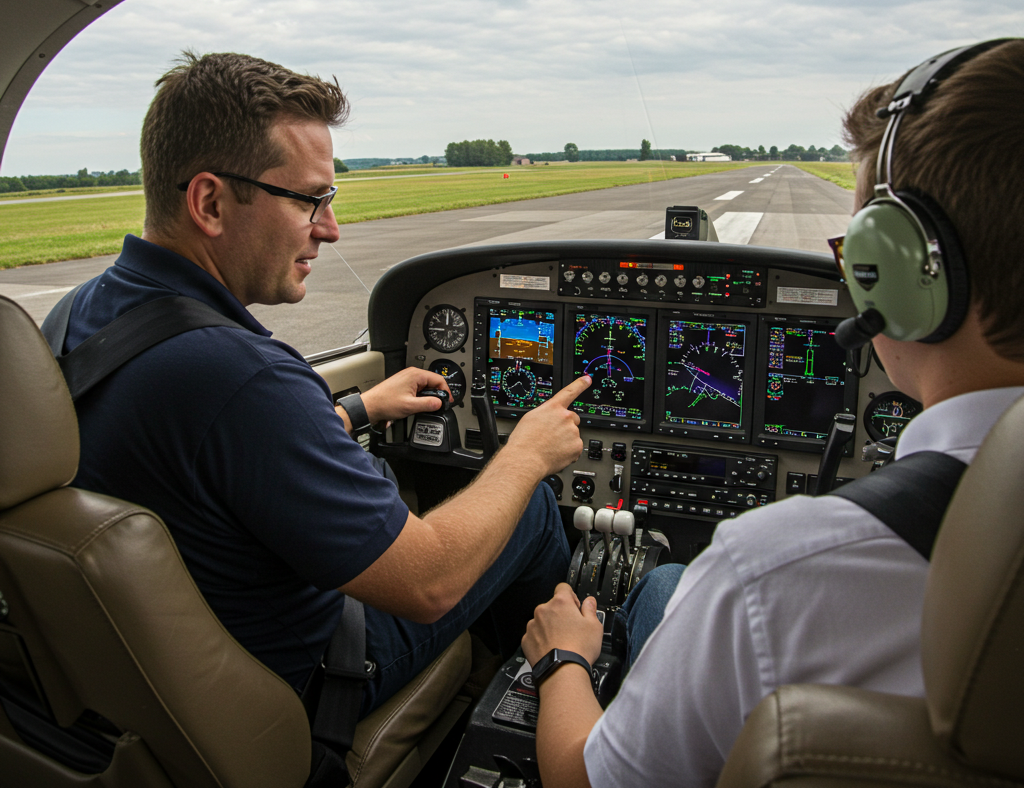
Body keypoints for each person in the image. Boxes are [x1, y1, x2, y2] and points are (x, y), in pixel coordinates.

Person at [521, 38, 1024, 788]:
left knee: (666, 586)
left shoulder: (772, 572)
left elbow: (581, 781)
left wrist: (565, 658)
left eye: (857, 251)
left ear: (902, 273)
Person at [62, 50, 590, 716]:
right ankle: (543, 691)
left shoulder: (81, 315)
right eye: (311, 200)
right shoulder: (239, 378)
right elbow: (428, 581)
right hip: (312, 674)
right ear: (210, 202)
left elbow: (215, 458)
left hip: (151, 682)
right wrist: (527, 454)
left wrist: (357, 409)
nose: (331, 229)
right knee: (534, 507)